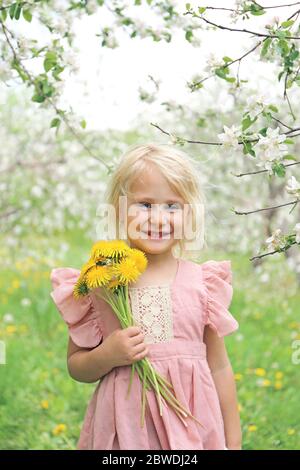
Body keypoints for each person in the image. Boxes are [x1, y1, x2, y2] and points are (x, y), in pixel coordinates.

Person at [50, 142, 242, 450]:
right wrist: (107, 355)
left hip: (192, 428)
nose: (158, 218)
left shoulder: (202, 284)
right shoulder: (104, 284)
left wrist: (233, 441)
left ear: (189, 213)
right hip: (126, 433)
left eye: (172, 206)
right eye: (145, 204)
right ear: (120, 209)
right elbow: (76, 366)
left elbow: (219, 367)